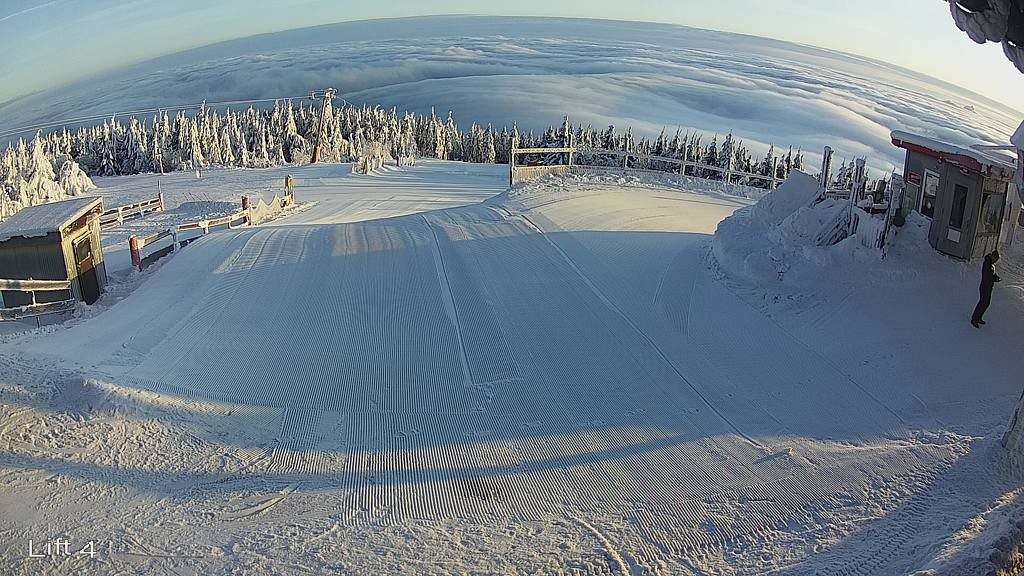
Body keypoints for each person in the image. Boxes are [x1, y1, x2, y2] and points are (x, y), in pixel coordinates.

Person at [971, 250, 1001, 328]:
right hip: (985, 286)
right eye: (995, 259)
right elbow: (988, 276)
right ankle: (974, 319)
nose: (995, 261)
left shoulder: (991, 264)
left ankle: (979, 317)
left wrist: (996, 277)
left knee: (986, 303)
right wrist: (995, 279)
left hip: (988, 286)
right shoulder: (987, 263)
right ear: (992, 257)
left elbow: (993, 274)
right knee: (982, 303)